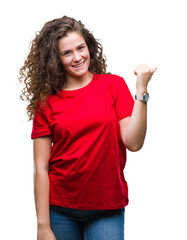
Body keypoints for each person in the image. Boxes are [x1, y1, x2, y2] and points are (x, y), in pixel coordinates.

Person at [19, 16, 156, 240]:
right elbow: (41, 168)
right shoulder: (46, 102)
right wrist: (43, 226)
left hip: (106, 208)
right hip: (60, 209)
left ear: (88, 46)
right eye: (67, 53)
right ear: (55, 59)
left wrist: (141, 93)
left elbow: (133, 143)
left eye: (80, 48)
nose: (77, 57)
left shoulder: (113, 86)